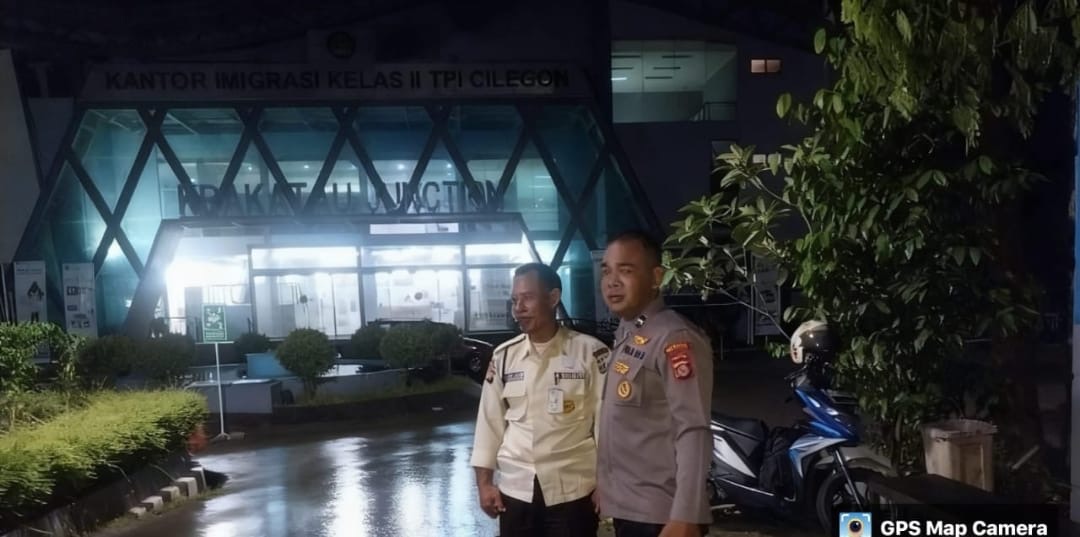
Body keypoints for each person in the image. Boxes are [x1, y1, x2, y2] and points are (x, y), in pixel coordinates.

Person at [471, 262, 611, 537]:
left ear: (553, 297)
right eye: (514, 300)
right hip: (516, 492)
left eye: (527, 298)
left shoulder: (591, 353)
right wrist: (484, 483)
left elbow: (607, 426)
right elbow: (489, 423)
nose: (518, 308)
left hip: (573, 492)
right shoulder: (504, 357)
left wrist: (607, 483)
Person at [596, 230, 714, 537]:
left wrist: (686, 515)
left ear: (656, 277)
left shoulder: (674, 337)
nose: (612, 282)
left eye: (625, 270)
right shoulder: (629, 332)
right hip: (630, 509)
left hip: (662, 516)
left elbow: (693, 428)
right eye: (606, 271)